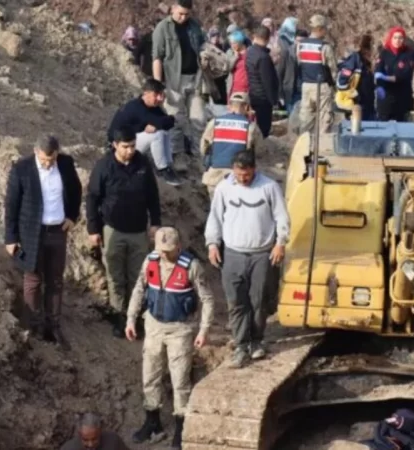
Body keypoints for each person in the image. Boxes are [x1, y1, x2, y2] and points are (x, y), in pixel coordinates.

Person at [126, 227, 214, 449]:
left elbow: (207, 299)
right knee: (150, 375)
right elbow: (139, 289)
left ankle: (180, 428)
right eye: (161, 250)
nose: (164, 254)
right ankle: (152, 421)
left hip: (180, 329)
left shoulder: (192, 266)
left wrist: (203, 330)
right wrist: (130, 319)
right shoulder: (150, 261)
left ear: (179, 247)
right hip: (154, 326)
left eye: (169, 250)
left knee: (180, 381)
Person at [204, 150, 290, 368]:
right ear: (233, 169)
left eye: (247, 174)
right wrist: (212, 244)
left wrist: (280, 243)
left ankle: (256, 340)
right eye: (239, 174)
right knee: (236, 302)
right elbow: (215, 218)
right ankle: (241, 345)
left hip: (262, 254)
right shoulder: (224, 188)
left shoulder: (269, 187)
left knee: (258, 301)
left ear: (254, 169)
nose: (243, 179)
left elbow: (281, 216)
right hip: (232, 254)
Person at [4, 135, 82, 350]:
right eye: (44, 160)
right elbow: (11, 205)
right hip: (31, 232)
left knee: (55, 280)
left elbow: (75, 190)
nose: (48, 164)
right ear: (36, 152)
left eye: (52, 159)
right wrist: (11, 237)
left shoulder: (65, 164)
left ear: (57, 154)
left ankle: (52, 326)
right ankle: (33, 325)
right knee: (33, 279)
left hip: (57, 231)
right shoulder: (22, 169)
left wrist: (72, 216)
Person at [87, 128, 162, 338]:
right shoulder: (104, 166)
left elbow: (153, 196)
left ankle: (134, 316)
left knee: (138, 276)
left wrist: (155, 223)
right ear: (115, 145)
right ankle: (119, 316)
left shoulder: (143, 165)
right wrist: (93, 229)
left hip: (138, 230)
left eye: (132, 146)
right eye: (125, 147)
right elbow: (92, 198)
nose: (130, 151)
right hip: (113, 229)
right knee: (115, 276)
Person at [152, 0, 206, 156]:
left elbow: (203, 46)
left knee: (199, 119)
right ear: (173, 9)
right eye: (180, 14)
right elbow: (157, 57)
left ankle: (198, 155)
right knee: (175, 120)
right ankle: (177, 156)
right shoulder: (163, 28)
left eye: (187, 14)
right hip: (173, 81)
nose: (183, 17)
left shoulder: (194, 26)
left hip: (196, 79)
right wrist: (157, 85)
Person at [107, 78, 181, 186]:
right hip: (119, 147)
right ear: (146, 93)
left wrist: (160, 124)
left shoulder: (153, 107)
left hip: (132, 140)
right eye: (156, 95)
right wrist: (158, 124)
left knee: (164, 131)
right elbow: (160, 121)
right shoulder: (137, 107)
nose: (159, 98)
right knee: (157, 134)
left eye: (161, 94)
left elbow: (169, 122)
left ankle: (168, 164)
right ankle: (162, 168)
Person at [200, 92, 265, 197]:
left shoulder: (214, 122)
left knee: (216, 205)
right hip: (238, 177)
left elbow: (203, 148)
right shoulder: (250, 127)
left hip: (214, 177)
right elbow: (260, 151)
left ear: (229, 106)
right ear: (247, 107)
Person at [296, 14, 338, 134]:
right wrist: (334, 86)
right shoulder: (325, 47)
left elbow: (300, 63)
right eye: (324, 29)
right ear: (319, 29)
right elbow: (333, 69)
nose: (326, 32)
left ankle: (305, 141)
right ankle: (321, 143)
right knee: (324, 120)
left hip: (306, 85)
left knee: (306, 119)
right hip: (322, 86)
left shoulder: (301, 45)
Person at [374, 26, 414, 122]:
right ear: (391, 38)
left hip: (402, 96)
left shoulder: (408, 53)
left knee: (402, 124)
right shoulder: (384, 53)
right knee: (383, 122)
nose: (397, 40)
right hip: (386, 96)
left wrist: (387, 78)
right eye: (395, 38)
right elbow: (378, 70)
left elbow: (405, 75)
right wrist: (380, 85)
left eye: (400, 38)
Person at [246, 26, 279, 138]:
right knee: (263, 129)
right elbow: (267, 81)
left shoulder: (249, 52)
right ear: (268, 39)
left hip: (252, 94)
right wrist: (273, 100)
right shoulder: (263, 57)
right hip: (262, 98)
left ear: (255, 36)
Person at [336, 34, 376, 120]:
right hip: (356, 104)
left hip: (368, 104)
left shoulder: (368, 62)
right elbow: (341, 81)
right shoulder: (355, 59)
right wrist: (353, 94)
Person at [60, 412, 129, 450]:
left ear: (100, 432)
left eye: (94, 439)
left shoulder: (114, 441)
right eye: (85, 440)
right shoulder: (68, 448)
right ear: (79, 434)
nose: (90, 444)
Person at [275, 17, 299, 113]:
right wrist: (279, 93)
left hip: (294, 85)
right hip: (286, 87)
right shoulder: (282, 44)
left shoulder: (291, 42)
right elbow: (279, 71)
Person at [227, 31, 249, 96]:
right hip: (233, 89)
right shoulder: (230, 53)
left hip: (246, 89)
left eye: (234, 43)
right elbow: (228, 68)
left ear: (240, 43)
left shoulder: (248, 53)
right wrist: (235, 57)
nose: (232, 46)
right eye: (231, 43)